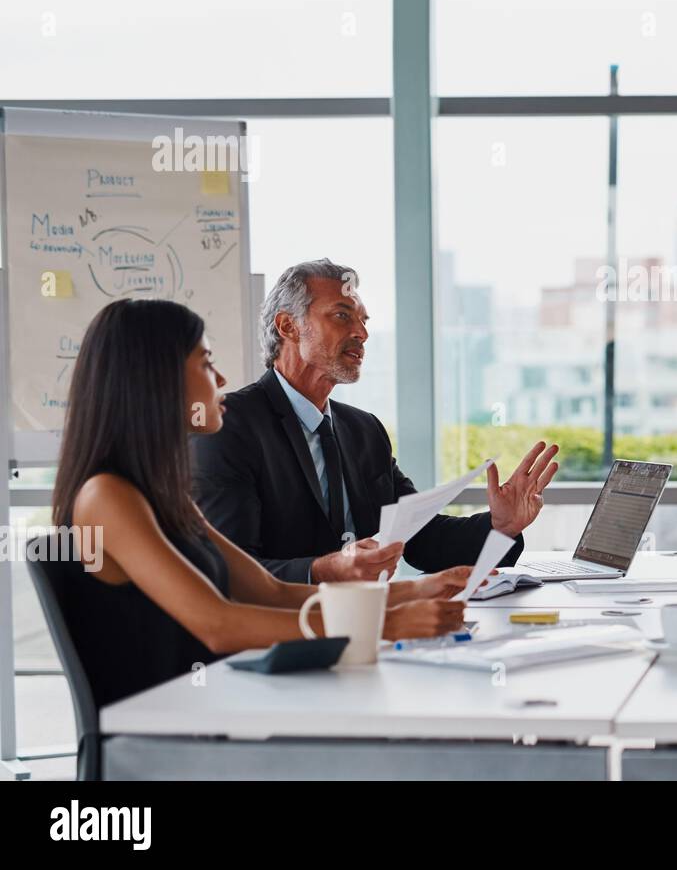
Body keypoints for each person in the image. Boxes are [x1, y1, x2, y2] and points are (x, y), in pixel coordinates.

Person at [47, 298, 471, 708]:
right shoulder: (106, 496)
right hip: (160, 735)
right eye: (206, 362)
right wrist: (384, 625)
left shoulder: (161, 495)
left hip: (212, 707)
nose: (221, 380)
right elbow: (219, 624)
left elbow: (269, 591)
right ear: (157, 377)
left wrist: (413, 591)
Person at [193, 260, 559, 583]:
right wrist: (323, 571)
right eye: (342, 316)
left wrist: (500, 525)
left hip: (369, 629)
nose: (362, 333)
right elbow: (227, 570)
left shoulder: (362, 430)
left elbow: (421, 539)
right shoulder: (229, 426)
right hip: (277, 639)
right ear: (289, 326)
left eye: (363, 321)